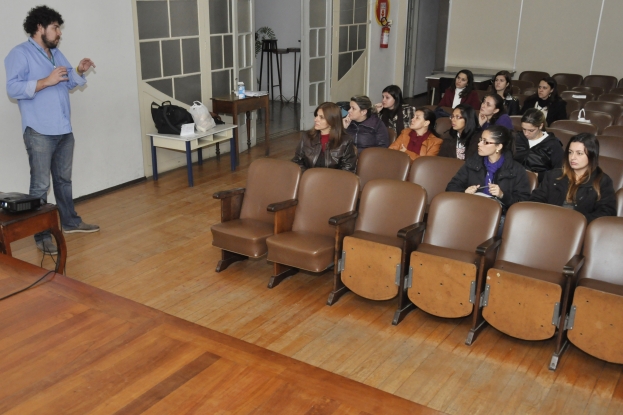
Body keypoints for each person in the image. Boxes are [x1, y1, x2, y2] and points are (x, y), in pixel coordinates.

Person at [5, 5, 99, 256]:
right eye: (55, 27)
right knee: (39, 186)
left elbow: (68, 80)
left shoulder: (55, 53)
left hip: (63, 128)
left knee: (64, 181)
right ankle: (42, 235)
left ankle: (70, 222)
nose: (59, 33)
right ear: (39, 28)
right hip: (38, 130)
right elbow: (12, 88)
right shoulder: (20, 54)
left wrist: (79, 70)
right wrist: (46, 81)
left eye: (59, 28)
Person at [530, 133, 616, 223]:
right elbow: (535, 200)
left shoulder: (602, 181)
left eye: (579, 153)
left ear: (591, 155)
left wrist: (577, 221)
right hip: (549, 223)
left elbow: (606, 212)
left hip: (580, 230)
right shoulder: (553, 175)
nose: (572, 157)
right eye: (570, 152)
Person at [446, 125, 531, 211]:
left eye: (485, 142)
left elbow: (523, 202)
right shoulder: (473, 162)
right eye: (480, 140)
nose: (479, 144)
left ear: (498, 147)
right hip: (470, 208)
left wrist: (502, 195)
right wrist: (465, 192)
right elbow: (451, 186)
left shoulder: (516, 169)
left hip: (499, 215)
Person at [292, 102, 357, 173]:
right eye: (316, 115)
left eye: (321, 117)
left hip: (333, 182)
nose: (315, 119)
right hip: (309, 181)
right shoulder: (307, 136)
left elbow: (348, 170)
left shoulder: (345, 141)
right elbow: (297, 161)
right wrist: (308, 176)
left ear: (332, 120)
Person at [514, 108, 564, 183]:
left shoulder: (553, 145)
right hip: (514, 180)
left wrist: (539, 175)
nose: (526, 133)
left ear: (540, 126)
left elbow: (560, 171)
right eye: (524, 129)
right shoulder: (518, 138)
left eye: (531, 130)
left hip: (540, 185)